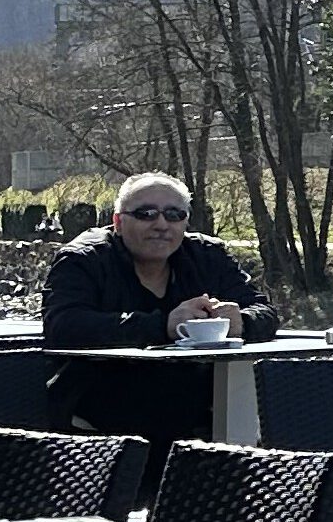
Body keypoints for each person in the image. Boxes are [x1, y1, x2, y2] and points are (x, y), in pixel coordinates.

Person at [41, 172, 282, 487]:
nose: (161, 224)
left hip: (196, 399)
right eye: (145, 214)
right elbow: (64, 326)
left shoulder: (208, 256)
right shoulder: (82, 259)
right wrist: (163, 325)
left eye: (174, 214)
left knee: (272, 410)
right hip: (102, 398)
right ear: (117, 221)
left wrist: (242, 322)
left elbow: (265, 312)